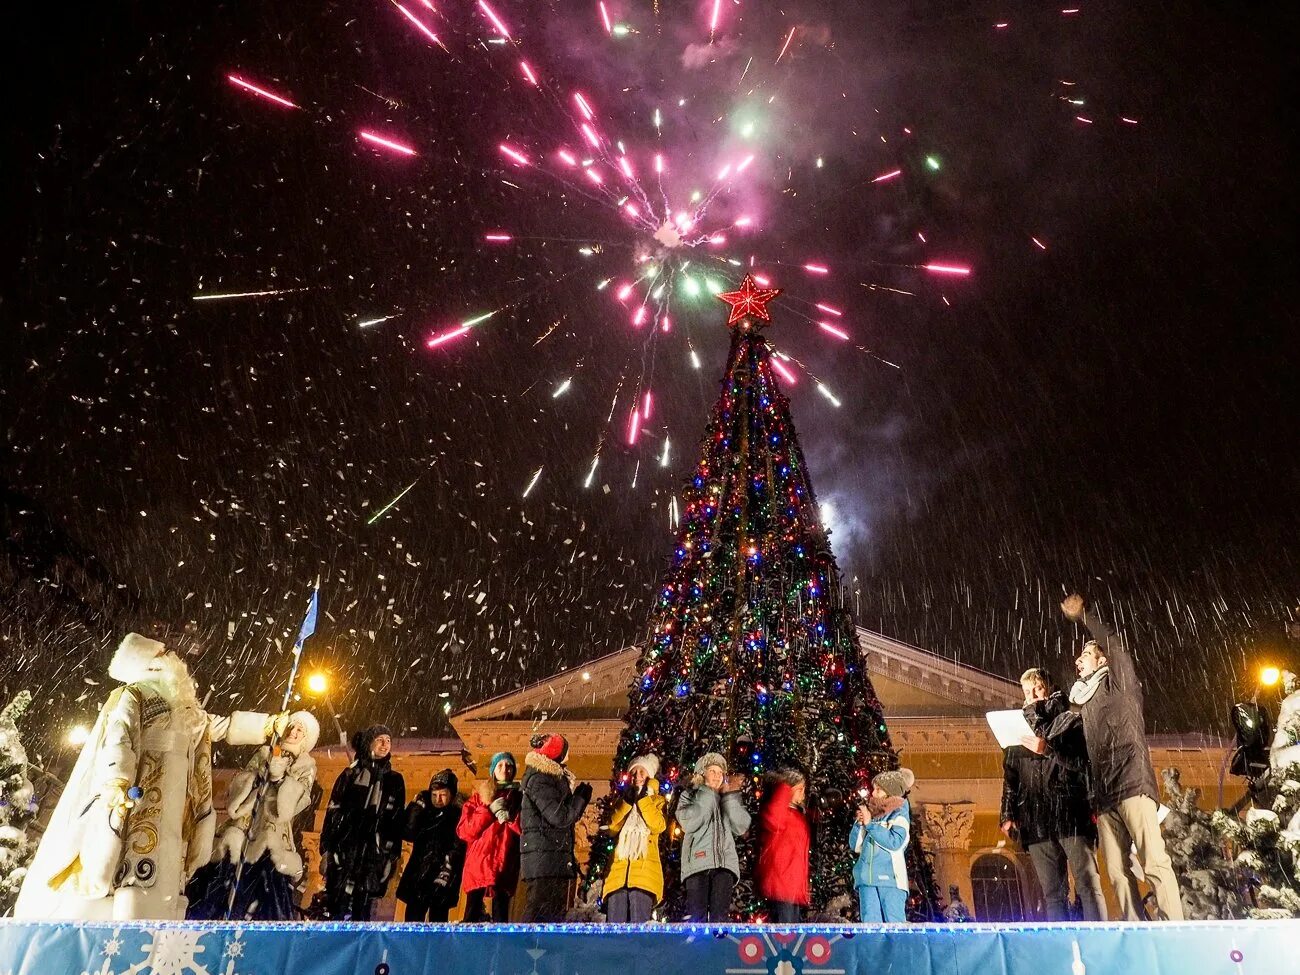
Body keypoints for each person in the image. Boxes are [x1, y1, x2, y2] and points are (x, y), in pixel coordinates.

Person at [14, 633, 282, 921]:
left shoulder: (184, 706)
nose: (173, 657)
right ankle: (129, 913)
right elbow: (119, 737)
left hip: (179, 793)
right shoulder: (133, 695)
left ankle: (161, 913)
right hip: (145, 786)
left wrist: (267, 725)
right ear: (148, 663)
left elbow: (218, 727)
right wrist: (117, 779)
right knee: (140, 848)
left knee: (170, 853)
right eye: (163, 653)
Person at [1060, 593, 1183, 920]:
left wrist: (1085, 615)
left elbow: (1114, 645)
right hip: (1105, 797)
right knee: (1116, 872)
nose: (1078, 660)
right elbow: (1084, 757)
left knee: (1154, 861)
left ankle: (1176, 930)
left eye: (1086, 653)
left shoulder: (1120, 682)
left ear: (1102, 660)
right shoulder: (1084, 704)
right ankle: (1135, 931)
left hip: (1131, 784)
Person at [186, 710, 322, 920]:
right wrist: (256, 777)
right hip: (244, 826)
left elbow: (297, 802)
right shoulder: (264, 753)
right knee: (222, 877)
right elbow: (239, 787)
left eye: (300, 730)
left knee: (268, 886)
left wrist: (280, 780)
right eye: (292, 726)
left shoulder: (306, 766)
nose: (293, 732)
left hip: (273, 832)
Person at [1002, 667, 1107, 921]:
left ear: (1049, 687)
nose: (1033, 695)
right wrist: (1008, 814)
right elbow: (1010, 777)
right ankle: (1061, 945)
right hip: (1036, 820)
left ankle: (1101, 938)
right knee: (1052, 893)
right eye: (1027, 692)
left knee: (1087, 883)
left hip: (1071, 815)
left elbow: (1083, 765)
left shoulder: (1070, 718)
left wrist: (1048, 749)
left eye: (1037, 688)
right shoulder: (1018, 728)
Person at [318, 725, 406, 921]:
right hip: (347, 848)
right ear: (369, 743)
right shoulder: (351, 774)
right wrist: (327, 847)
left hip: (373, 853)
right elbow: (333, 811)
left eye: (388, 741)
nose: (385, 744)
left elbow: (396, 821)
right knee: (337, 904)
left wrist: (392, 855)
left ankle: (358, 947)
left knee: (363, 907)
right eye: (380, 740)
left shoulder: (394, 780)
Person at [519, 733, 592, 922]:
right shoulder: (541, 779)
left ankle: (542, 950)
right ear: (557, 754)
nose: (568, 755)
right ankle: (525, 949)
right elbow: (559, 816)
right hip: (544, 861)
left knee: (550, 913)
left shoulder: (548, 778)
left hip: (550, 858)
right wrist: (580, 799)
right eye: (566, 750)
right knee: (538, 912)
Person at [675, 752, 751, 922]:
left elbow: (741, 825)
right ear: (702, 773)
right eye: (712, 771)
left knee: (720, 918)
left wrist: (730, 797)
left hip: (724, 865)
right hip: (697, 864)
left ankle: (717, 947)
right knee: (697, 918)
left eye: (720, 772)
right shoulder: (689, 795)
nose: (717, 776)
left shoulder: (727, 798)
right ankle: (698, 948)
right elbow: (690, 822)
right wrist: (708, 793)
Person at [458, 751, 522, 922]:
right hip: (479, 863)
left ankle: (500, 946)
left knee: (501, 913)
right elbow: (465, 831)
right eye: (500, 765)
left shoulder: (518, 798)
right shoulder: (478, 798)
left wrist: (511, 818)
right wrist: (487, 811)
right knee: (471, 913)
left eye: (509, 766)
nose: (505, 769)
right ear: (493, 770)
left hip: (504, 861)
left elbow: (523, 830)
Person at [602, 754, 667, 923]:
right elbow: (611, 827)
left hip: (645, 874)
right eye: (634, 772)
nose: (637, 776)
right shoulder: (623, 800)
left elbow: (657, 825)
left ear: (650, 776)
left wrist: (643, 800)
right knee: (615, 931)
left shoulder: (657, 801)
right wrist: (628, 803)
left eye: (642, 772)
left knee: (638, 929)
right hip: (618, 873)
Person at [397, 768, 466, 923]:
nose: (438, 799)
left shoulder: (457, 815)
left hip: (442, 877)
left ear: (452, 794)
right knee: (413, 921)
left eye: (443, 795)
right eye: (434, 795)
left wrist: (447, 871)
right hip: (418, 877)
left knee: (438, 920)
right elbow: (408, 833)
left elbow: (458, 848)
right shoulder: (425, 812)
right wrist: (416, 808)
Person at [849, 767, 913, 924]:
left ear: (889, 793)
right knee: (870, 924)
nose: (873, 793)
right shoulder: (872, 813)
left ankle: (897, 949)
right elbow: (855, 846)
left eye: (878, 790)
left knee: (894, 924)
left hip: (891, 880)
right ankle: (874, 949)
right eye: (874, 789)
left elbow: (895, 842)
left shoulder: (899, 813)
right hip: (866, 880)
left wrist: (870, 824)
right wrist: (859, 824)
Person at [755, 769, 810, 923]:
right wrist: (784, 789)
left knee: (791, 934)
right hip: (782, 884)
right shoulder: (781, 812)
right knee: (784, 935)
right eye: (800, 789)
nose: (803, 794)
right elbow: (773, 818)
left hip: (793, 886)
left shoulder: (798, 816)